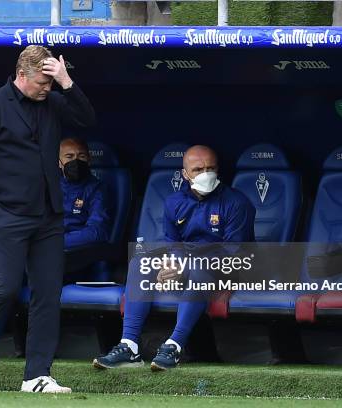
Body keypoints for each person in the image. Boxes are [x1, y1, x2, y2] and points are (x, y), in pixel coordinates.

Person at [0, 45, 95, 393]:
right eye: (40, 81)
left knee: (47, 294)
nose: (45, 88)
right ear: (22, 75)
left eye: (50, 81)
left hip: (49, 215)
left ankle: (36, 375)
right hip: (9, 216)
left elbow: (88, 119)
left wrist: (66, 81)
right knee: (3, 287)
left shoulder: (52, 99)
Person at [92, 145, 255, 371]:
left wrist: (185, 266)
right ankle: (129, 346)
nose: (206, 174)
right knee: (141, 262)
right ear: (185, 174)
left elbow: (232, 252)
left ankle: (174, 345)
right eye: (198, 169)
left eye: (211, 168)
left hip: (229, 267)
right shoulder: (174, 202)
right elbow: (173, 242)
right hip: (189, 261)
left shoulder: (237, 202)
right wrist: (174, 263)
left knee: (198, 269)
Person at [0, 137, 110, 362]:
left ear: (88, 159)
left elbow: (97, 232)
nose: (75, 161)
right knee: (2, 280)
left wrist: (51, 243)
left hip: (75, 260)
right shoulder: (45, 186)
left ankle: (37, 356)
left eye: (80, 156)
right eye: (69, 157)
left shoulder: (97, 188)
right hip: (38, 255)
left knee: (34, 271)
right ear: (58, 161)